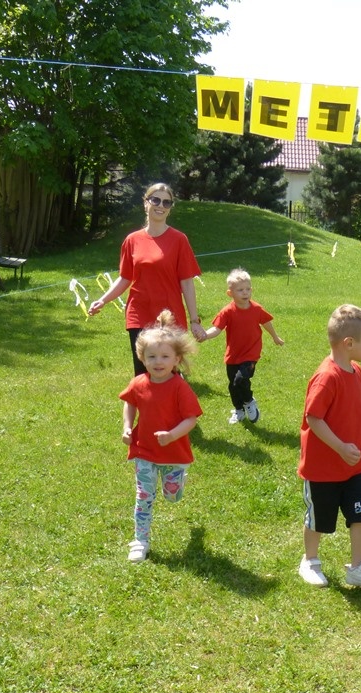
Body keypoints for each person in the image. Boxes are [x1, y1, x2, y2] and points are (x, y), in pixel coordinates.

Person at [297, 304, 361, 591]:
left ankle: (357, 568)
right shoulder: (327, 377)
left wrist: (360, 449)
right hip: (323, 468)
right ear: (349, 343)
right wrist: (339, 447)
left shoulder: (356, 371)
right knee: (319, 519)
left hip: (355, 465)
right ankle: (310, 561)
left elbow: (352, 416)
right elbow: (314, 418)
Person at [89, 183, 207, 375]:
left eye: (167, 202)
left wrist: (194, 320)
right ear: (146, 203)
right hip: (139, 313)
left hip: (169, 315)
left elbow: (186, 281)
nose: (161, 205)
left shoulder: (179, 240)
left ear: (170, 208)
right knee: (143, 373)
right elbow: (125, 278)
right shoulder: (132, 240)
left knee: (168, 374)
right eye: (156, 200)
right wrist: (102, 300)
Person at [118, 311, 203, 563]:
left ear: (176, 359)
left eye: (165, 356)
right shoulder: (138, 383)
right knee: (144, 497)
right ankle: (140, 541)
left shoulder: (179, 387)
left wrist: (172, 435)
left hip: (174, 454)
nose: (158, 362)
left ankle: (177, 481)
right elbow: (129, 403)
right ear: (142, 358)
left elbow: (191, 419)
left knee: (172, 496)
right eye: (152, 356)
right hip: (144, 450)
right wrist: (127, 427)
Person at [201, 268, 285, 424]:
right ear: (230, 293)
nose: (245, 292)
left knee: (240, 380)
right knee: (233, 386)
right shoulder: (227, 311)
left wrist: (275, 337)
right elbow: (217, 329)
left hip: (250, 354)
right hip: (233, 355)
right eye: (240, 290)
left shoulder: (256, 309)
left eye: (248, 289)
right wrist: (205, 335)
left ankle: (249, 401)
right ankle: (239, 410)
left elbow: (266, 322)